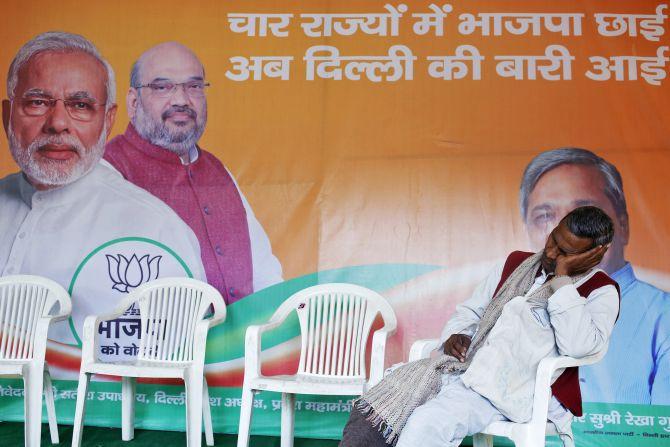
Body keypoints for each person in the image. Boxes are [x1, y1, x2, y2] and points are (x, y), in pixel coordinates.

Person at [0, 32, 206, 369]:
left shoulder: (154, 228)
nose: (58, 124)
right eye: (37, 102)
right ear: (8, 115)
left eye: (81, 106)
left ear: (108, 120)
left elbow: (174, 357)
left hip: (91, 417)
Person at [340, 206, 620, 447]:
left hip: (515, 388)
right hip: (467, 370)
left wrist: (562, 280)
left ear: (594, 254)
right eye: (553, 239)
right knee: (378, 407)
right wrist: (456, 334)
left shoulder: (601, 290)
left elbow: (580, 346)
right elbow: (471, 311)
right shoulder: (516, 263)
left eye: (564, 251)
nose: (550, 251)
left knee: (427, 424)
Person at [104, 42, 282, 304]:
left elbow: (265, 274)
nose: (181, 100)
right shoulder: (108, 171)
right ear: (133, 102)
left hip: (239, 341)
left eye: (194, 87)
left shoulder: (218, 172)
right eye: (162, 87)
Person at [520, 147, 670, 404]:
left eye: (586, 212)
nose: (566, 231)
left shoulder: (662, 315)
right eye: (545, 215)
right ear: (528, 231)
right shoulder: (518, 303)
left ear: (623, 225)